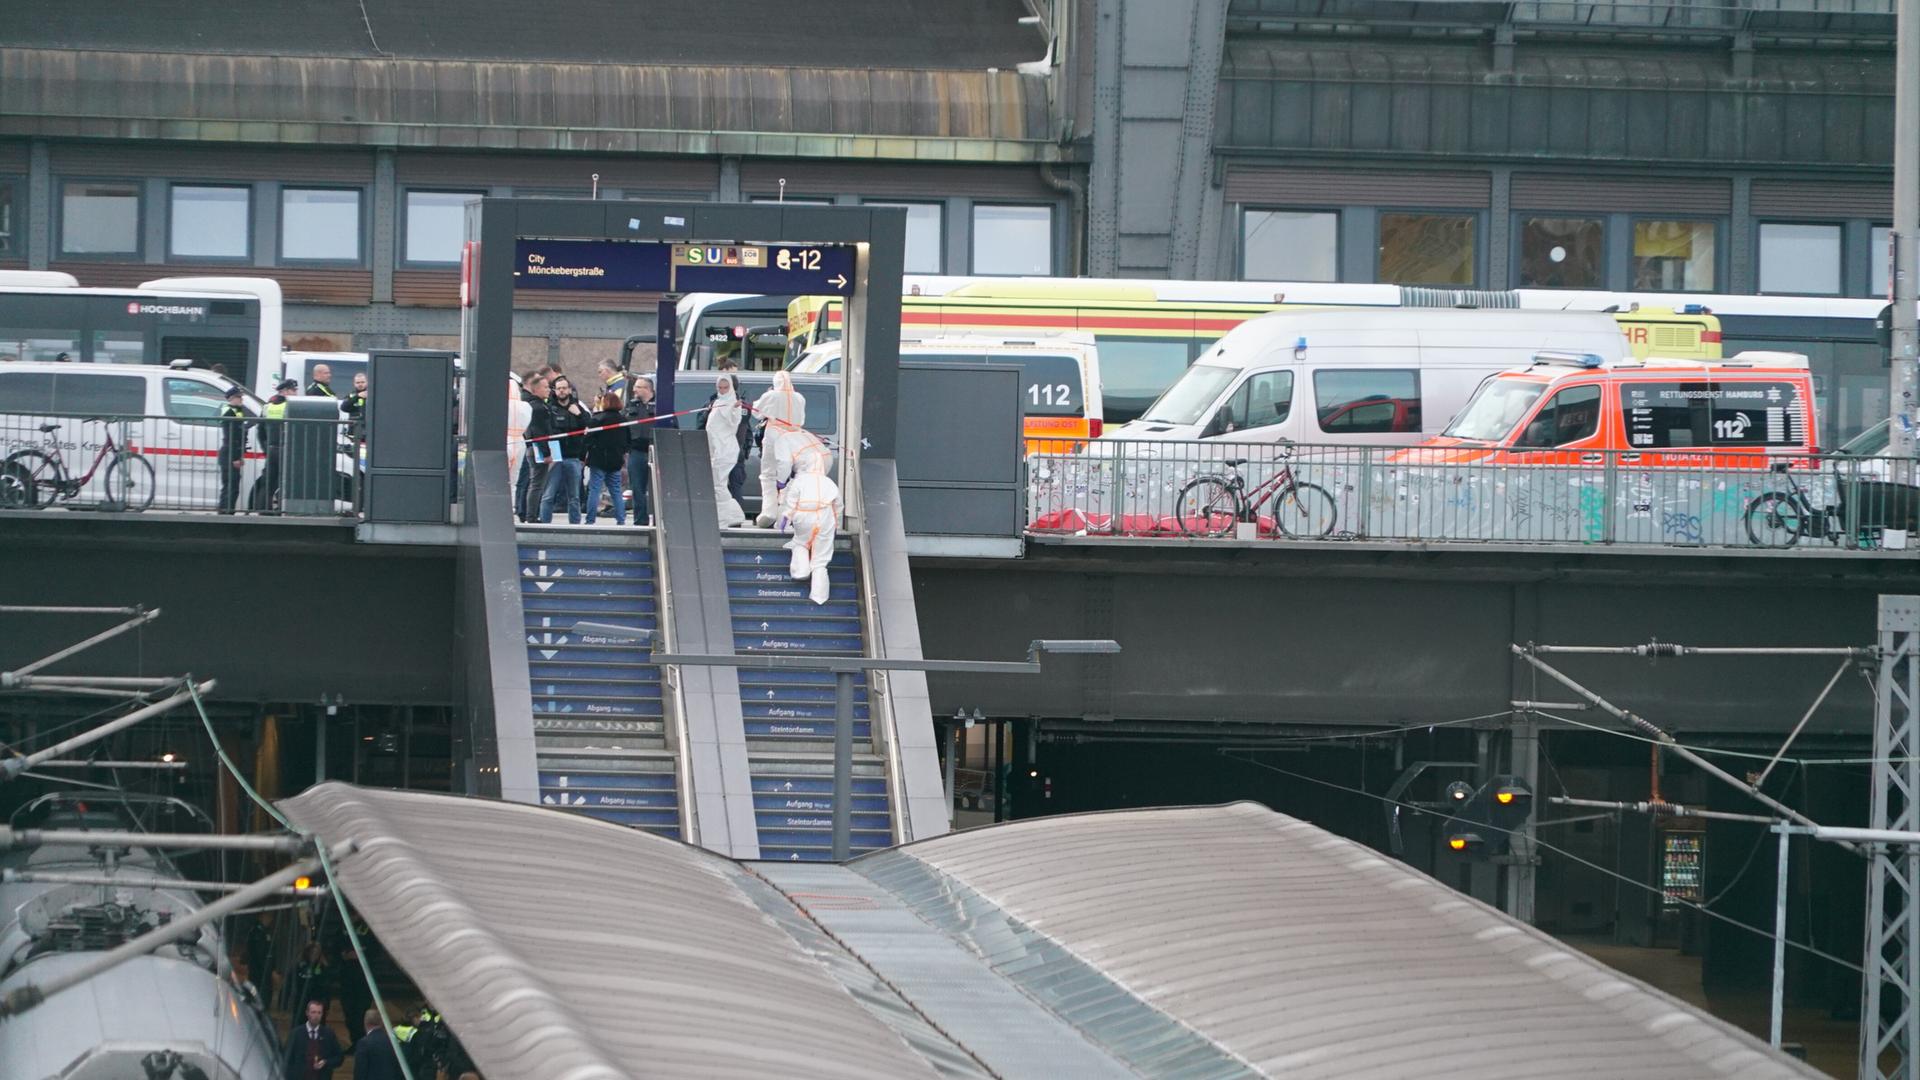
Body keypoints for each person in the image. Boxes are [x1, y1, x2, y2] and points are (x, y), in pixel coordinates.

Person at [781, 451, 842, 605]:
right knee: (821, 557)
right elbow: (838, 506)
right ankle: (819, 595)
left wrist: (786, 519)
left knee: (801, 542)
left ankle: (800, 570)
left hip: (803, 515)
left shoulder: (799, 481)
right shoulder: (829, 482)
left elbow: (791, 502)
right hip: (825, 516)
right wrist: (837, 524)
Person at [751, 371, 808, 527]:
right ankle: (784, 514)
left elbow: (756, 412)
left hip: (774, 436)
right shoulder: (799, 398)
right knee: (789, 477)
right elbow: (802, 420)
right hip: (794, 439)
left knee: (768, 475)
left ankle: (768, 512)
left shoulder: (771, 396)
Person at [538, 375, 590, 523]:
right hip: (555, 457)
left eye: (564, 388)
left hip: (573, 457)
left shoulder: (578, 407)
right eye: (559, 388)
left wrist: (578, 414)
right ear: (554, 390)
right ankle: (545, 525)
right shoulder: (549, 409)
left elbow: (589, 426)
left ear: (569, 390)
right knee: (548, 495)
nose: (561, 391)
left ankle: (575, 525)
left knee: (574, 497)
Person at [705, 375, 748, 528]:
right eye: (720, 387)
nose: (722, 390)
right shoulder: (717, 402)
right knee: (718, 483)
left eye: (725, 387)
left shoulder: (733, 404)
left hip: (725, 449)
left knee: (718, 484)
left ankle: (725, 517)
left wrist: (735, 409)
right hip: (716, 449)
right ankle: (733, 515)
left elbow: (734, 422)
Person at [583, 391, 627, 526]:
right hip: (615, 460)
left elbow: (587, 440)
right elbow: (627, 441)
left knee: (594, 489)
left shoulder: (597, 419)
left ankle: (590, 520)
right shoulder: (623, 420)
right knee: (616, 491)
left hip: (598, 459)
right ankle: (621, 519)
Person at [518, 371, 552, 522]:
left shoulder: (536, 405)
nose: (548, 390)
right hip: (538, 449)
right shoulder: (538, 408)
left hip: (534, 448)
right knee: (537, 484)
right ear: (536, 389)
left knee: (534, 483)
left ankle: (529, 513)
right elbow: (539, 433)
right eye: (545, 387)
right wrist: (546, 453)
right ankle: (531, 515)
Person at [260, 378, 298, 512]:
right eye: (293, 390)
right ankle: (283, 510)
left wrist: (266, 448)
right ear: (285, 391)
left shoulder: (267, 406)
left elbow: (260, 430)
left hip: (271, 449)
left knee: (268, 482)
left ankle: (264, 510)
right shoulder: (289, 407)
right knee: (285, 481)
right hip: (285, 449)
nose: (296, 393)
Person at [623, 376, 656, 525]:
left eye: (638, 387)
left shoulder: (660, 406)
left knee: (656, 489)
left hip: (655, 451)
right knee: (637, 488)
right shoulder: (631, 406)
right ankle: (640, 521)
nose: (634, 390)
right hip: (636, 452)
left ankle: (657, 519)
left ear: (648, 389)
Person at [283, 999, 343, 1080]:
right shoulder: (296, 1034)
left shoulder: (328, 1034)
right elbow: (286, 1059)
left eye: (319, 1013)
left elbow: (339, 1057)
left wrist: (326, 1062)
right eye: (313, 1012)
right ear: (307, 1013)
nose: (316, 1016)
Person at [219, 385, 249, 514]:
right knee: (230, 487)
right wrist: (235, 457)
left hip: (232, 453)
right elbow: (231, 437)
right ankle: (225, 513)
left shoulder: (236, 411)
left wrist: (240, 455)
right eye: (239, 397)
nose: (241, 399)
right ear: (231, 398)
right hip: (229, 454)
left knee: (232, 486)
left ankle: (227, 512)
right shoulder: (229, 412)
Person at [351, 1009, 405, 1080]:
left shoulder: (364, 1043)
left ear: (365, 1022)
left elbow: (360, 1070)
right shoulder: (393, 1041)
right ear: (381, 1022)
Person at [341, 372, 368, 438]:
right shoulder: (351, 395)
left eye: (362, 382)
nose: (360, 384)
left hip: (369, 429)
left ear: (367, 382)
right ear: (354, 383)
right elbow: (343, 407)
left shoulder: (373, 394)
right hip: (354, 430)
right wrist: (357, 396)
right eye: (358, 383)